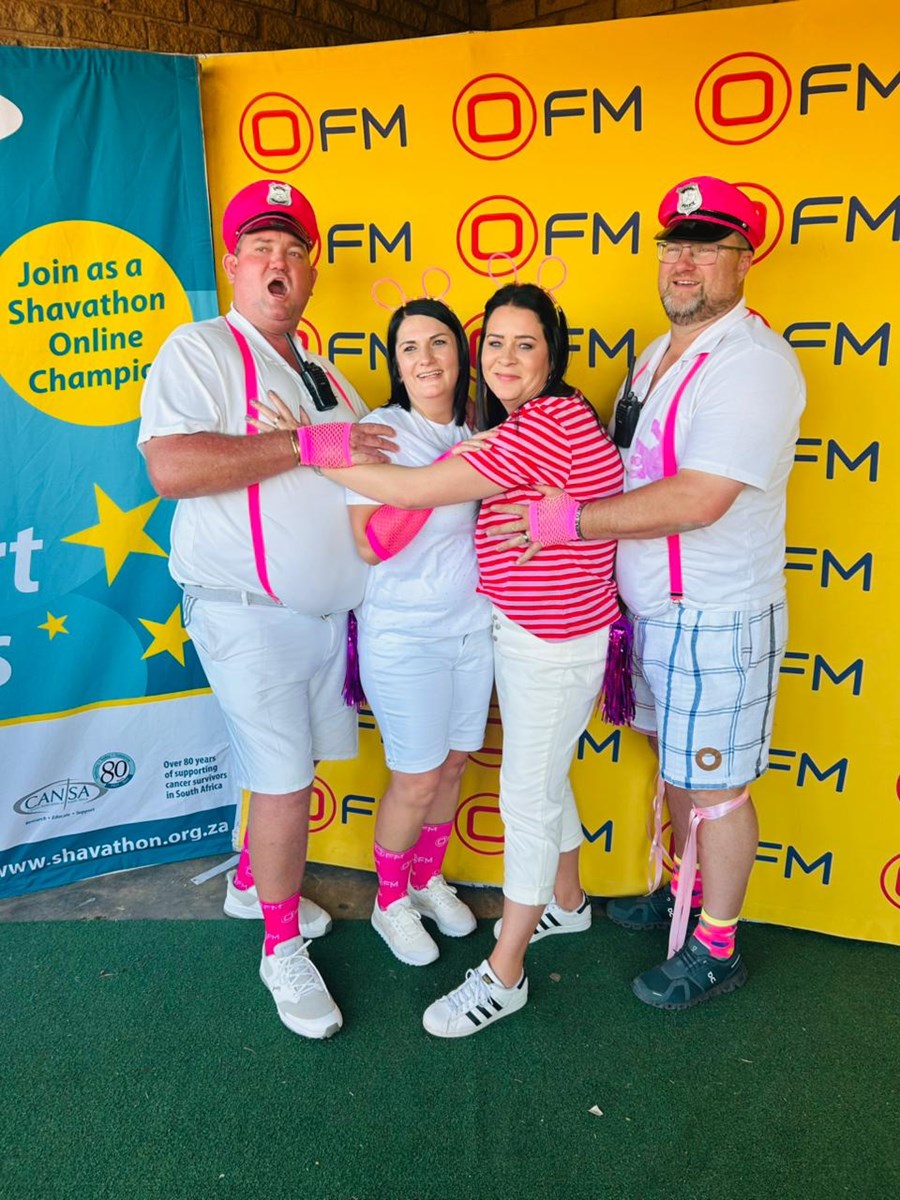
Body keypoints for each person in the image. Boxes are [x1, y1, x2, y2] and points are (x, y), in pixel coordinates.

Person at [494, 176, 806, 1010]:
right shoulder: (658, 354)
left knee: (717, 788)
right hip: (654, 613)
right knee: (679, 767)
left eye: (707, 248)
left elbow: (700, 498)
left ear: (744, 260)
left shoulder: (752, 365)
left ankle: (718, 944)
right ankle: (682, 893)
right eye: (674, 246)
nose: (684, 263)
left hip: (717, 610)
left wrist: (569, 522)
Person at [312, 282, 624, 1037]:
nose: (505, 357)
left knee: (524, 794)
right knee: (520, 778)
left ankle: (505, 972)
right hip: (486, 633)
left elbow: (429, 486)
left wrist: (320, 452)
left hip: (533, 637)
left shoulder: (528, 424)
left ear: (552, 353)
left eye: (525, 343)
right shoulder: (491, 425)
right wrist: (317, 446)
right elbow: (379, 533)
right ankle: (546, 901)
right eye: (498, 343)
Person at [137, 179, 396, 1039]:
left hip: (324, 621)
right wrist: (301, 444)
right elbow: (171, 468)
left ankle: (253, 885)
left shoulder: (326, 373)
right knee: (284, 784)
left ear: (312, 271)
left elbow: (374, 476)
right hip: (246, 612)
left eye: (293, 250)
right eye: (261, 249)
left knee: (294, 769)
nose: (277, 263)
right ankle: (280, 949)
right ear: (233, 265)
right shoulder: (200, 347)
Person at [343, 298, 493, 966]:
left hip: (474, 630)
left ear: (461, 353)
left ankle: (428, 879)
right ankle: (390, 900)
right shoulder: (382, 432)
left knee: (455, 764)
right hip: (404, 635)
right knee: (416, 776)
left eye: (438, 343)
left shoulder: (484, 424)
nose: (426, 359)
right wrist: (453, 468)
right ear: (396, 365)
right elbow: (371, 543)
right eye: (409, 348)